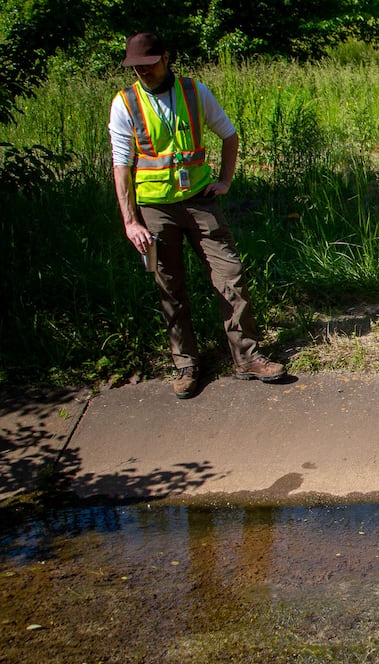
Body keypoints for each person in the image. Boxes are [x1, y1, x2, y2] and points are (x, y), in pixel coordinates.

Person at [109, 31, 285, 399]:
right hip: (154, 209)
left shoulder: (194, 93)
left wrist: (224, 181)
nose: (143, 71)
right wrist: (131, 221)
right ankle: (185, 363)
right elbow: (121, 167)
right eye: (136, 66)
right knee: (169, 286)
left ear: (166, 58)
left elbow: (229, 135)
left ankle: (247, 357)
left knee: (230, 274)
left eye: (149, 63)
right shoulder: (125, 104)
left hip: (200, 202)